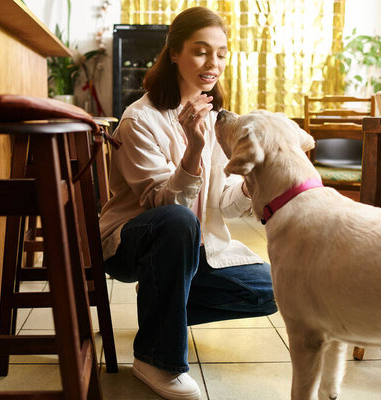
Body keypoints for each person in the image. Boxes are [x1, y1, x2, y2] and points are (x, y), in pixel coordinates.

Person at [99, 6, 277, 400]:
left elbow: (222, 203)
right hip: (130, 241)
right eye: (200, 51)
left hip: (193, 250)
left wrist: (252, 182)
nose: (212, 63)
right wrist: (194, 149)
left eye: (221, 53)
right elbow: (161, 204)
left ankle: (161, 308)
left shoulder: (215, 117)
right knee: (178, 220)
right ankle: (155, 359)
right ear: (174, 53)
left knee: (273, 290)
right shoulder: (140, 119)